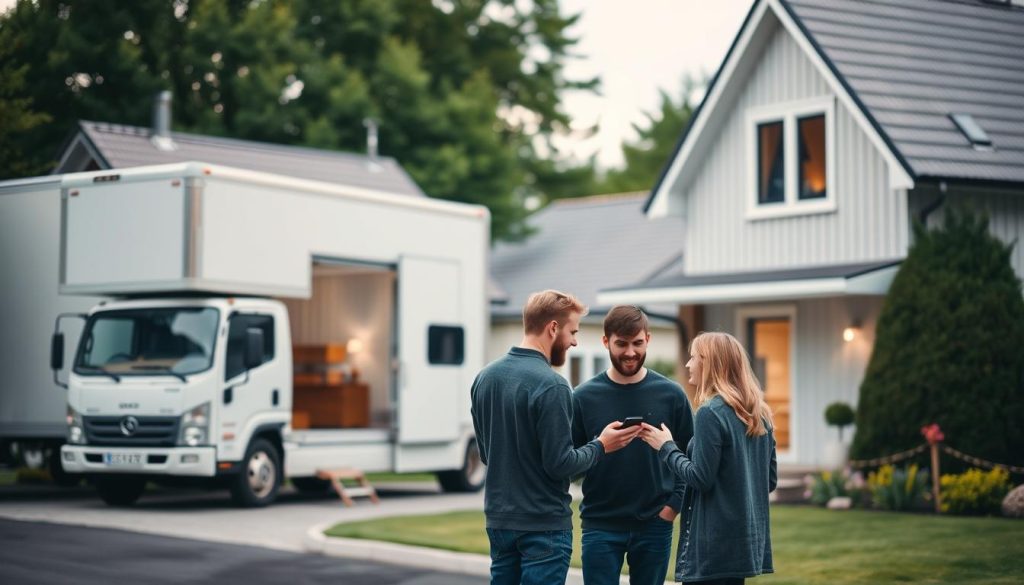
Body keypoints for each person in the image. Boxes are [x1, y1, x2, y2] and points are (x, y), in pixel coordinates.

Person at [471, 289, 641, 585]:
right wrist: (602, 445)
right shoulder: (553, 385)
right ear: (553, 328)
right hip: (543, 527)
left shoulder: (485, 378)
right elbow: (561, 465)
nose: (574, 340)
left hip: (499, 523)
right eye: (572, 331)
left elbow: (487, 454)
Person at [639, 332, 777, 585]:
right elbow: (768, 481)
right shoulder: (761, 415)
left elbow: (700, 478)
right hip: (742, 546)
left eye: (693, 358)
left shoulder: (709, 414)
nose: (688, 364)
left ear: (710, 363)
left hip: (712, 549)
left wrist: (666, 446)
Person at [571, 305, 694, 585]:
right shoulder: (582, 397)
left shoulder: (671, 395)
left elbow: (691, 460)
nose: (630, 352)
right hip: (600, 525)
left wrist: (671, 508)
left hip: (655, 524)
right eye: (621, 344)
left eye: (637, 343)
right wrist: (600, 445)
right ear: (606, 342)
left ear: (648, 339)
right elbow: (569, 465)